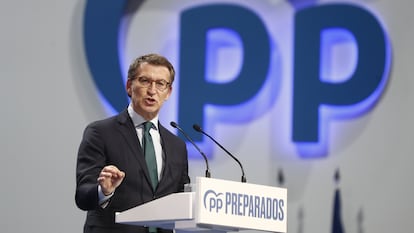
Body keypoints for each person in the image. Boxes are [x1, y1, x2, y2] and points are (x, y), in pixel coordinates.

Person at [75, 53, 190, 233]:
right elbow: (82, 196)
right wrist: (103, 191)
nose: (152, 90)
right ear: (129, 86)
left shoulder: (177, 146)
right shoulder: (100, 133)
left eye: (160, 84)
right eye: (145, 81)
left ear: (168, 92)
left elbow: (182, 200)